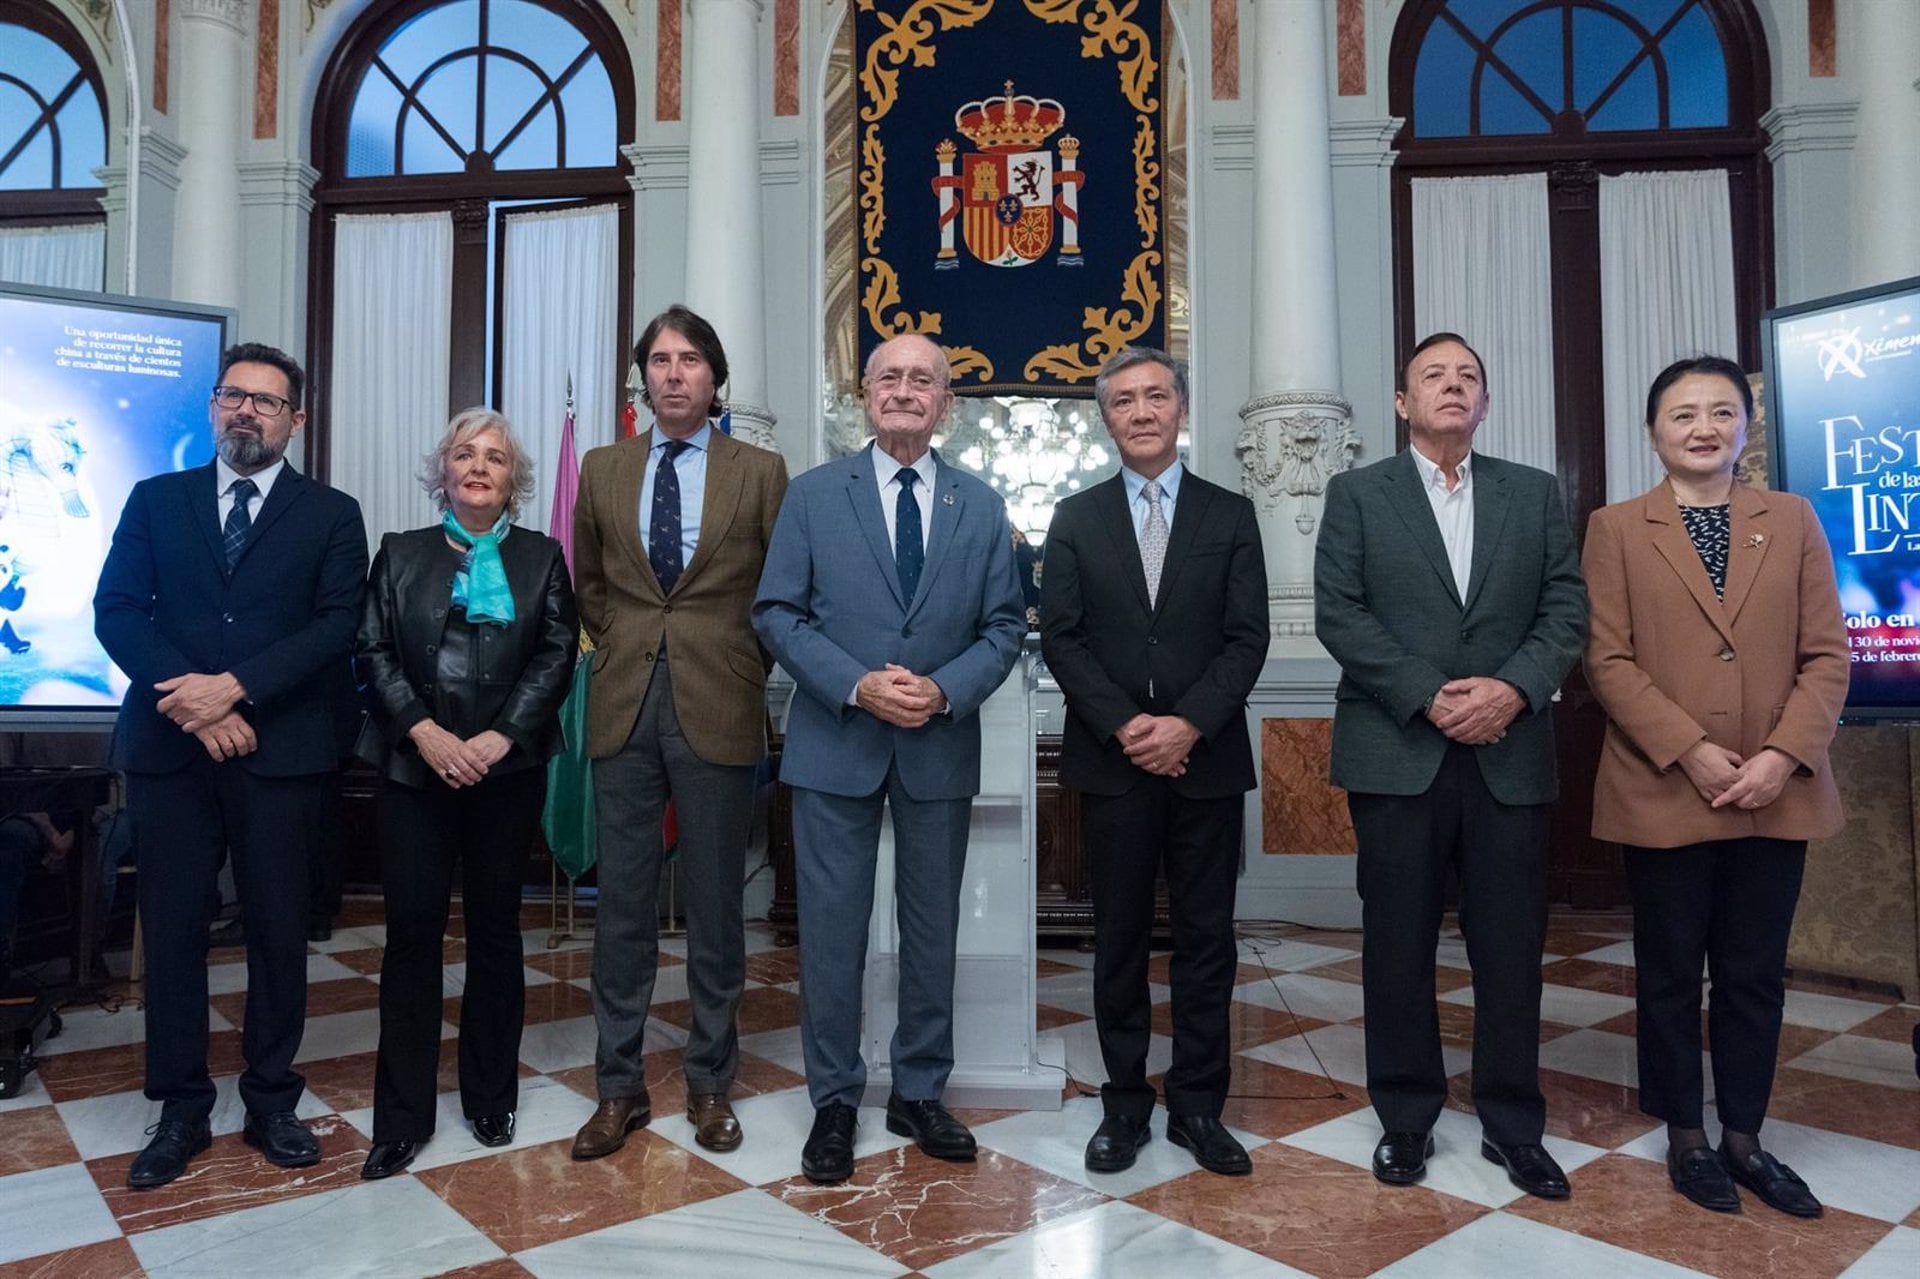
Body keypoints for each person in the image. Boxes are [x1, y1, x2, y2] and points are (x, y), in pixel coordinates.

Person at [1313, 332, 1587, 1199]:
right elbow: (1341, 614)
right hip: (1398, 750)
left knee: (1511, 946)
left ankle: (1513, 1122)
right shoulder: (1357, 493)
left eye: (1469, 376)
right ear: (1403, 403)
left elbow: (1565, 610)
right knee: (1397, 944)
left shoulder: (1533, 493)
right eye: (1435, 376)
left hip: (1510, 749)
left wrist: (1512, 689)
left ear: (1486, 403)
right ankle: (1405, 1118)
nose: (1453, 386)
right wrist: (1433, 695)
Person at [94, 342, 368, 1188]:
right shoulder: (156, 499)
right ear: (214, 408)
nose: (247, 411)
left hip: (280, 754)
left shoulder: (331, 513)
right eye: (233, 396)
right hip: (173, 753)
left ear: (296, 420)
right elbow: (116, 610)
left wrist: (237, 690)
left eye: (266, 401)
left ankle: (270, 1099)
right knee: (173, 932)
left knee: (278, 932)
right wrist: (195, 702)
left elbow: (334, 628)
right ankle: (178, 1107)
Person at [753, 332, 1025, 1184]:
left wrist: (942, 691)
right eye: (890, 377)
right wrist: (857, 685)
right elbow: (777, 612)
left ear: (947, 403)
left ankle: (918, 1089)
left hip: (938, 742)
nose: (905, 391)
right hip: (836, 739)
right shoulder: (811, 496)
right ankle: (835, 1099)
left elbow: (1005, 627)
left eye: (924, 381)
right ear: (863, 394)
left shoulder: (980, 506)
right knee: (832, 933)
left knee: (931, 927)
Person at [1583, 356, 1847, 1218]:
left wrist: (1781, 755)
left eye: (1722, 412)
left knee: (1753, 974)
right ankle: (1687, 1139)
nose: (1704, 427)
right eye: (1684, 413)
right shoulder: (1617, 527)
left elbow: (1825, 655)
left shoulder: (1795, 519)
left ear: (1746, 428)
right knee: (1668, 973)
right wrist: (1690, 749)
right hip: (1666, 787)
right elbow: (1606, 659)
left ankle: (1745, 1136)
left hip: (1778, 790)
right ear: (1654, 431)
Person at [1039, 347, 1268, 1176]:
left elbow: (1249, 639)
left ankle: (1200, 1106)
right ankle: (1126, 1103)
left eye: (1156, 396)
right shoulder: (1076, 516)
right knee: (1120, 942)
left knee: (1208, 940)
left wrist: (1187, 726)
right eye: (1125, 400)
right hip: (1113, 765)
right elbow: (1060, 638)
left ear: (1180, 408)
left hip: (1205, 764)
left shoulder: (1230, 514)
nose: (1141, 411)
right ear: (1106, 417)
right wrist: (1132, 726)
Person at [569, 306, 788, 1159]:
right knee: (620, 906)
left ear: (713, 377)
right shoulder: (602, 467)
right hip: (623, 699)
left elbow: (779, 592)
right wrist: (628, 642)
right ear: (643, 378)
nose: (672, 374)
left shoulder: (760, 471)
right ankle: (617, 1087)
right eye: (658, 360)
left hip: (721, 698)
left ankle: (708, 1083)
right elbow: (592, 584)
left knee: (715, 908)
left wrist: (739, 662)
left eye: (689, 359)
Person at [353, 408, 578, 1179]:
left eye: (495, 457)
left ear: (513, 478)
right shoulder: (400, 553)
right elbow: (372, 650)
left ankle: (490, 1095)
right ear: (441, 469)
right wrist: (424, 731)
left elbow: (555, 656)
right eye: (463, 453)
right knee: (412, 937)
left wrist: (499, 736)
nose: (478, 466)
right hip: (416, 768)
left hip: (503, 772)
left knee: (495, 932)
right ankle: (402, 1116)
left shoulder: (543, 558)